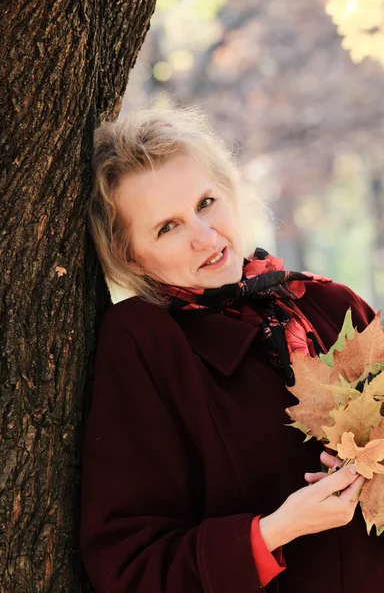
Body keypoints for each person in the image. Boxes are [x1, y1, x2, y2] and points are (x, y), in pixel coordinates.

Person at [80, 106, 383, 593]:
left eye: (205, 202)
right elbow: (129, 565)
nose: (205, 237)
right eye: (167, 227)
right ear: (129, 255)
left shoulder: (330, 304)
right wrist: (275, 531)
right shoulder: (145, 342)